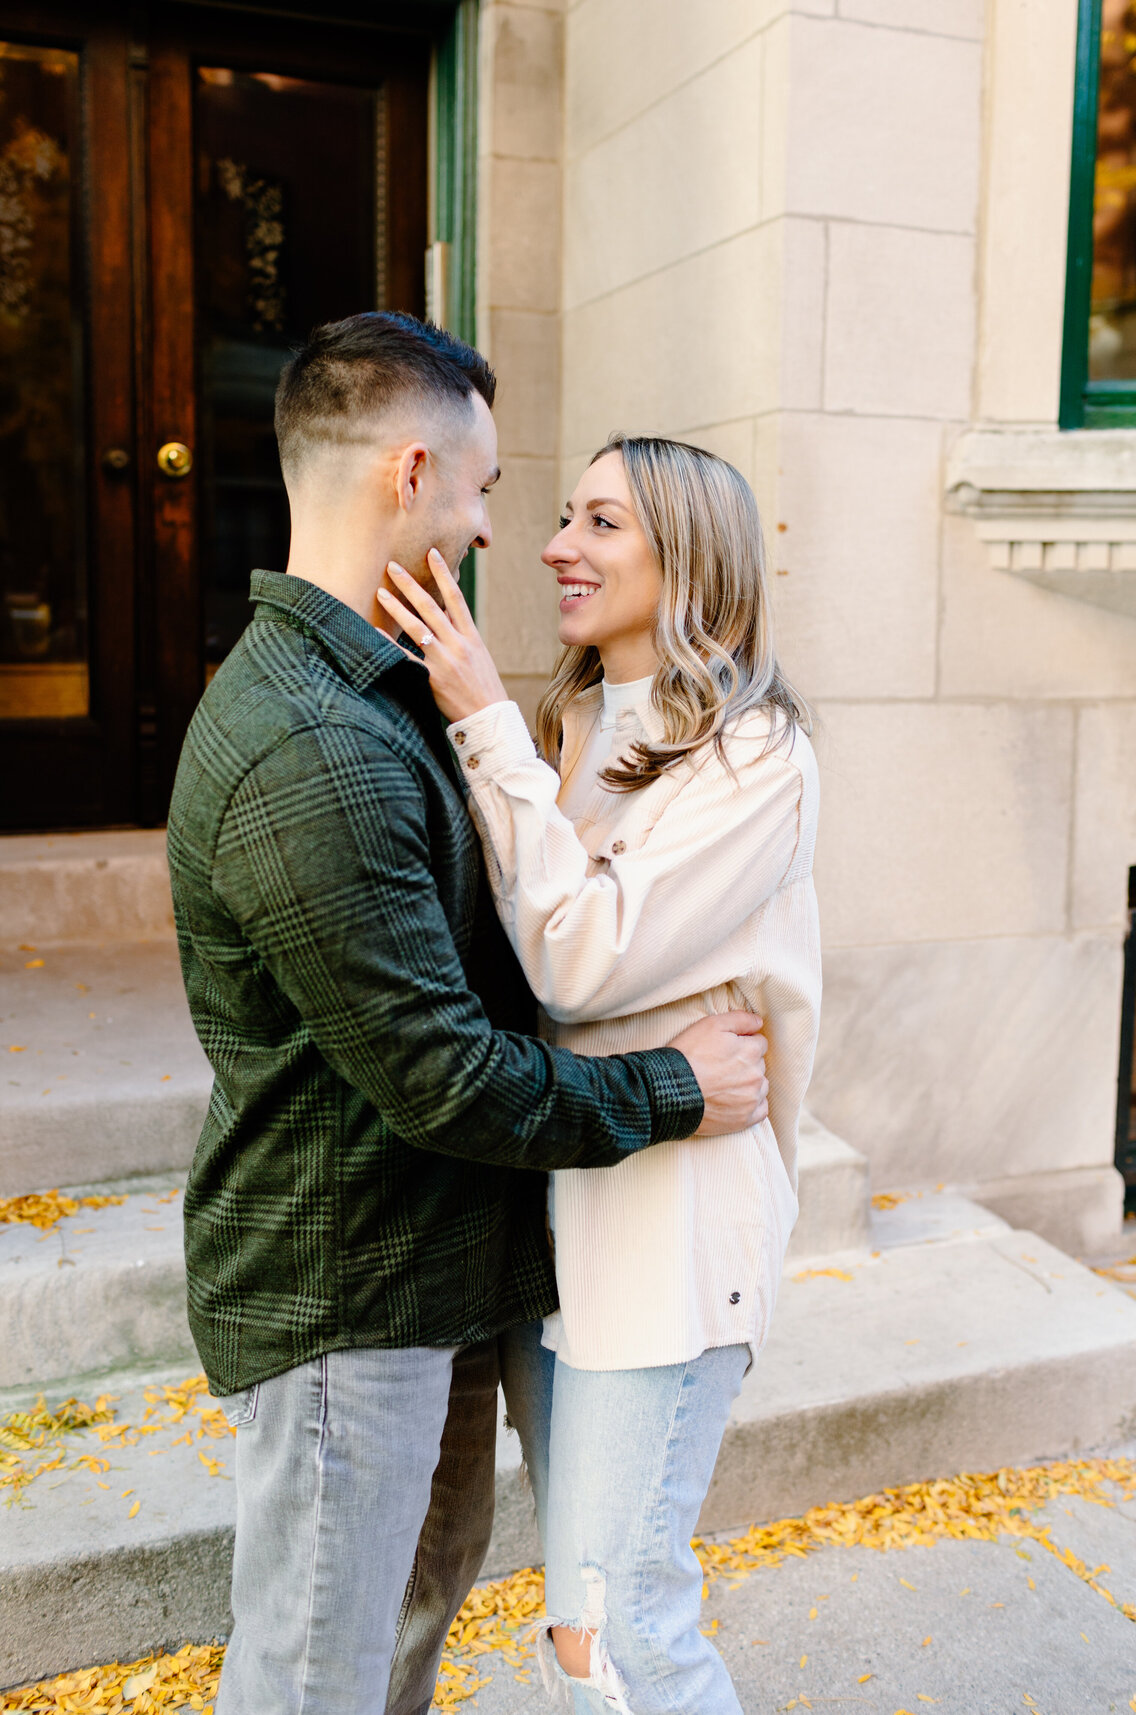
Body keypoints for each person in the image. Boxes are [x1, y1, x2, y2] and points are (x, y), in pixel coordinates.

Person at [166, 316, 772, 1715]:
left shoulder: (380, 687)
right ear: (414, 469)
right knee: (315, 1670)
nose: (503, 529)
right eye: (492, 489)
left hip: (429, 1275)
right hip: (346, 1291)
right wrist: (673, 1086)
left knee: (395, 1637)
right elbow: (447, 1076)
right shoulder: (311, 743)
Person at [377, 431, 821, 1715]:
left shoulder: (756, 756)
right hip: (552, 1215)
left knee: (619, 1626)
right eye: (564, 514)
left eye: (601, 522)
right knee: (579, 1614)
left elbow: (577, 956)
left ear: (688, 558)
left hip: (671, 1233)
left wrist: (483, 721)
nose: (558, 545)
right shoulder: (574, 724)